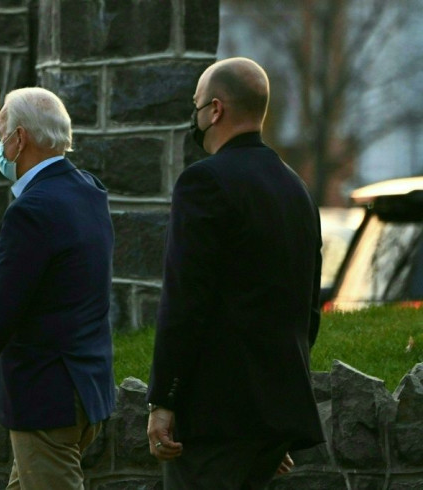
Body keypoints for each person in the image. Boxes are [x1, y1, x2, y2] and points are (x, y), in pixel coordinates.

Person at [0, 66, 116, 490]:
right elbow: (31, 167)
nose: (0, 143)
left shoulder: (30, 214)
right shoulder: (88, 191)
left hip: (46, 403)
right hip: (85, 394)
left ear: (21, 140)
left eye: (4, 135)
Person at [146, 57, 325, 489]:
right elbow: (306, 308)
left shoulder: (203, 182)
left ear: (215, 110)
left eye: (196, 104)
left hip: (215, 418)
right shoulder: (295, 189)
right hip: (274, 416)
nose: (195, 115)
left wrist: (164, 400)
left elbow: (185, 300)